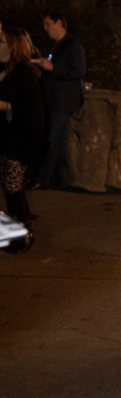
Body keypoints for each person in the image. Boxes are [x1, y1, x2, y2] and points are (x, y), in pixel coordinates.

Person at [0, 27, 44, 252]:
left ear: (13, 47)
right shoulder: (10, 70)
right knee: (10, 188)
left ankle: (22, 235)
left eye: (3, 43)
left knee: (13, 187)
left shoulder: (22, 72)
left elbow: (19, 106)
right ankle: (16, 235)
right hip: (12, 137)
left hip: (22, 138)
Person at [33, 12, 86, 187]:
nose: (45, 28)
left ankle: (44, 178)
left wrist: (52, 68)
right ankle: (55, 177)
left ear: (58, 23)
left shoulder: (73, 45)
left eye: (48, 24)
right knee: (53, 138)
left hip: (64, 101)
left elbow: (78, 71)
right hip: (52, 99)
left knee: (54, 138)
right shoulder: (55, 46)